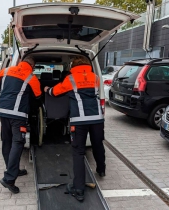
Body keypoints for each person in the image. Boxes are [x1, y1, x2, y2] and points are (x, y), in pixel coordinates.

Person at [44, 56, 105, 202]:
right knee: (98, 144)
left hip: (79, 121)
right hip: (97, 118)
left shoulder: (71, 79)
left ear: (73, 66)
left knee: (78, 152)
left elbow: (56, 92)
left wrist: (47, 89)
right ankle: (101, 169)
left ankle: (78, 189)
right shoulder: (95, 77)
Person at [0, 56, 41, 194]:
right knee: (18, 143)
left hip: (3, 113)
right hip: (18, 116)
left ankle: (13, 169)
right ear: (32, 66)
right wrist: (32, 110)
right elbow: (38, 96)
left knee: (6, 141)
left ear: (20, 62)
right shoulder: (31, 77)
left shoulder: (5, 71)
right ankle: (9, 179)